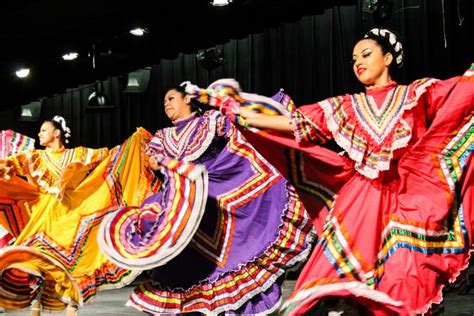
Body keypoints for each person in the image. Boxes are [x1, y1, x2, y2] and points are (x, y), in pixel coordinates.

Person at [228, 28, 473, 314]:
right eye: (354, 59)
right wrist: (247, 116)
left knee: (405, 276)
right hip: (362, 202)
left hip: (409, 197)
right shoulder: (347, 106)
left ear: (389, 58)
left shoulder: (417, 93)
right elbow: (299, 123)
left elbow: (461, 96)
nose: (358, 62)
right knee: (335, 272)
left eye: (366, 55)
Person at [98, 85, 317, 314]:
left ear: (188, 100)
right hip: (181, 197)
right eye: (164, 102)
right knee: (155, 214)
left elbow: (239, 129)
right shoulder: (162, 136)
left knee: (247, 194)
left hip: (217, 185)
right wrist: (169, 166)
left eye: (171, 98)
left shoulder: (211, 120)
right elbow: (153, 162)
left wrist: (263, 114)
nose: (167, 104)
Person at [0, 116, 155, 315]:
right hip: (43, 216)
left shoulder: (78, 154)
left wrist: (133, 143)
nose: (39, 134)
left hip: (72, 216)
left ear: (56, 133)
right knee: (37, 257)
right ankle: (36, 301)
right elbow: (8, 165)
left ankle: (71, 303)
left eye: (44, 130)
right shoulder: (34, 157)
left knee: (70, 261)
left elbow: (108, 156)